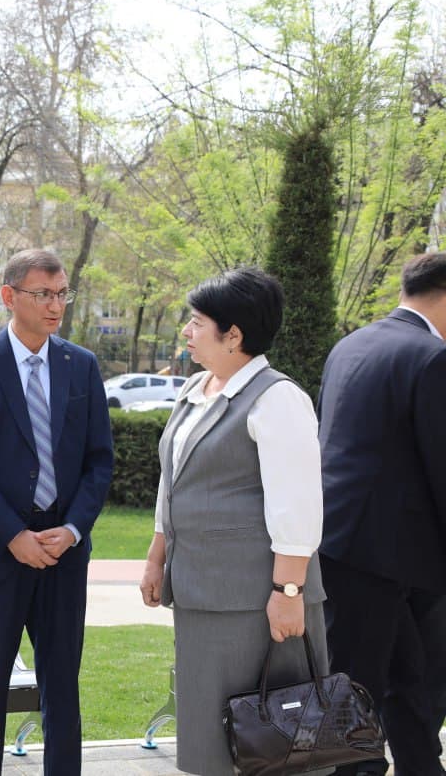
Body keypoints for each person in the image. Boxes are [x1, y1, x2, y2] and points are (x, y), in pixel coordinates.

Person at [139, 267, 329, 776]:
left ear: (234, 335)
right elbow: (171, 481)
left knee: (269, 741)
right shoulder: (197, 389)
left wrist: (289, 595)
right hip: (202, 595)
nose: (187, 331)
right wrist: (157, 558)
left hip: (258, 603)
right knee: (211, 739)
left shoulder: (278, 398)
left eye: (197, 322)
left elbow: (298, 504)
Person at [0, 248, 113, 776]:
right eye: (43, 293)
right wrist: (13, 534)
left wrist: (74, 528)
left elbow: (98, 462)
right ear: (9, 296)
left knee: (62, 688)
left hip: (63, 553)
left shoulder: (80, 365)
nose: (55, 304)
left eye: (62, 293)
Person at [317, 252, 446, 775]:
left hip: (343, 544)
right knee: (366, 691)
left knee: (397, 683)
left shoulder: (351, 344)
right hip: (395, 556)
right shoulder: (431, 357)